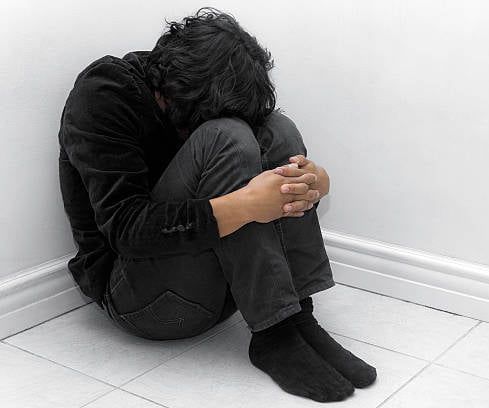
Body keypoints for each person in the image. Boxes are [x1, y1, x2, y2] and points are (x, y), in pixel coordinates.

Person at [57, 7, 376, 402]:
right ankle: (274, 334)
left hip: (224, 289)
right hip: (143, 302)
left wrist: (315, 183)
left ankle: (295, 316)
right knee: (227, 137)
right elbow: (127, 230)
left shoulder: (185, 84)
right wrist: (245, 206)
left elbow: (267, 151)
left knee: (278, 128)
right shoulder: (103, 94)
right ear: (176, 95)